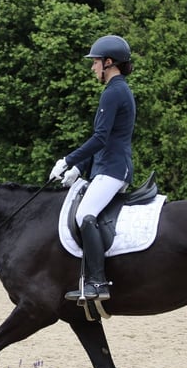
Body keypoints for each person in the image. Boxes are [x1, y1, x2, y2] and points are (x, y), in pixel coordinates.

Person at [49, 35, 136, 301]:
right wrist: (80, 168)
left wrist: (68, 160)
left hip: (113, 168)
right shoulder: (117, 91)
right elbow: (104, 140)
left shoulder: (114, 92)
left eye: (95, 62)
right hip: (106, 165)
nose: (93, 68)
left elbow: (100, 138)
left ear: (109, 62)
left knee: (85, 214)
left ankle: (97, 283)